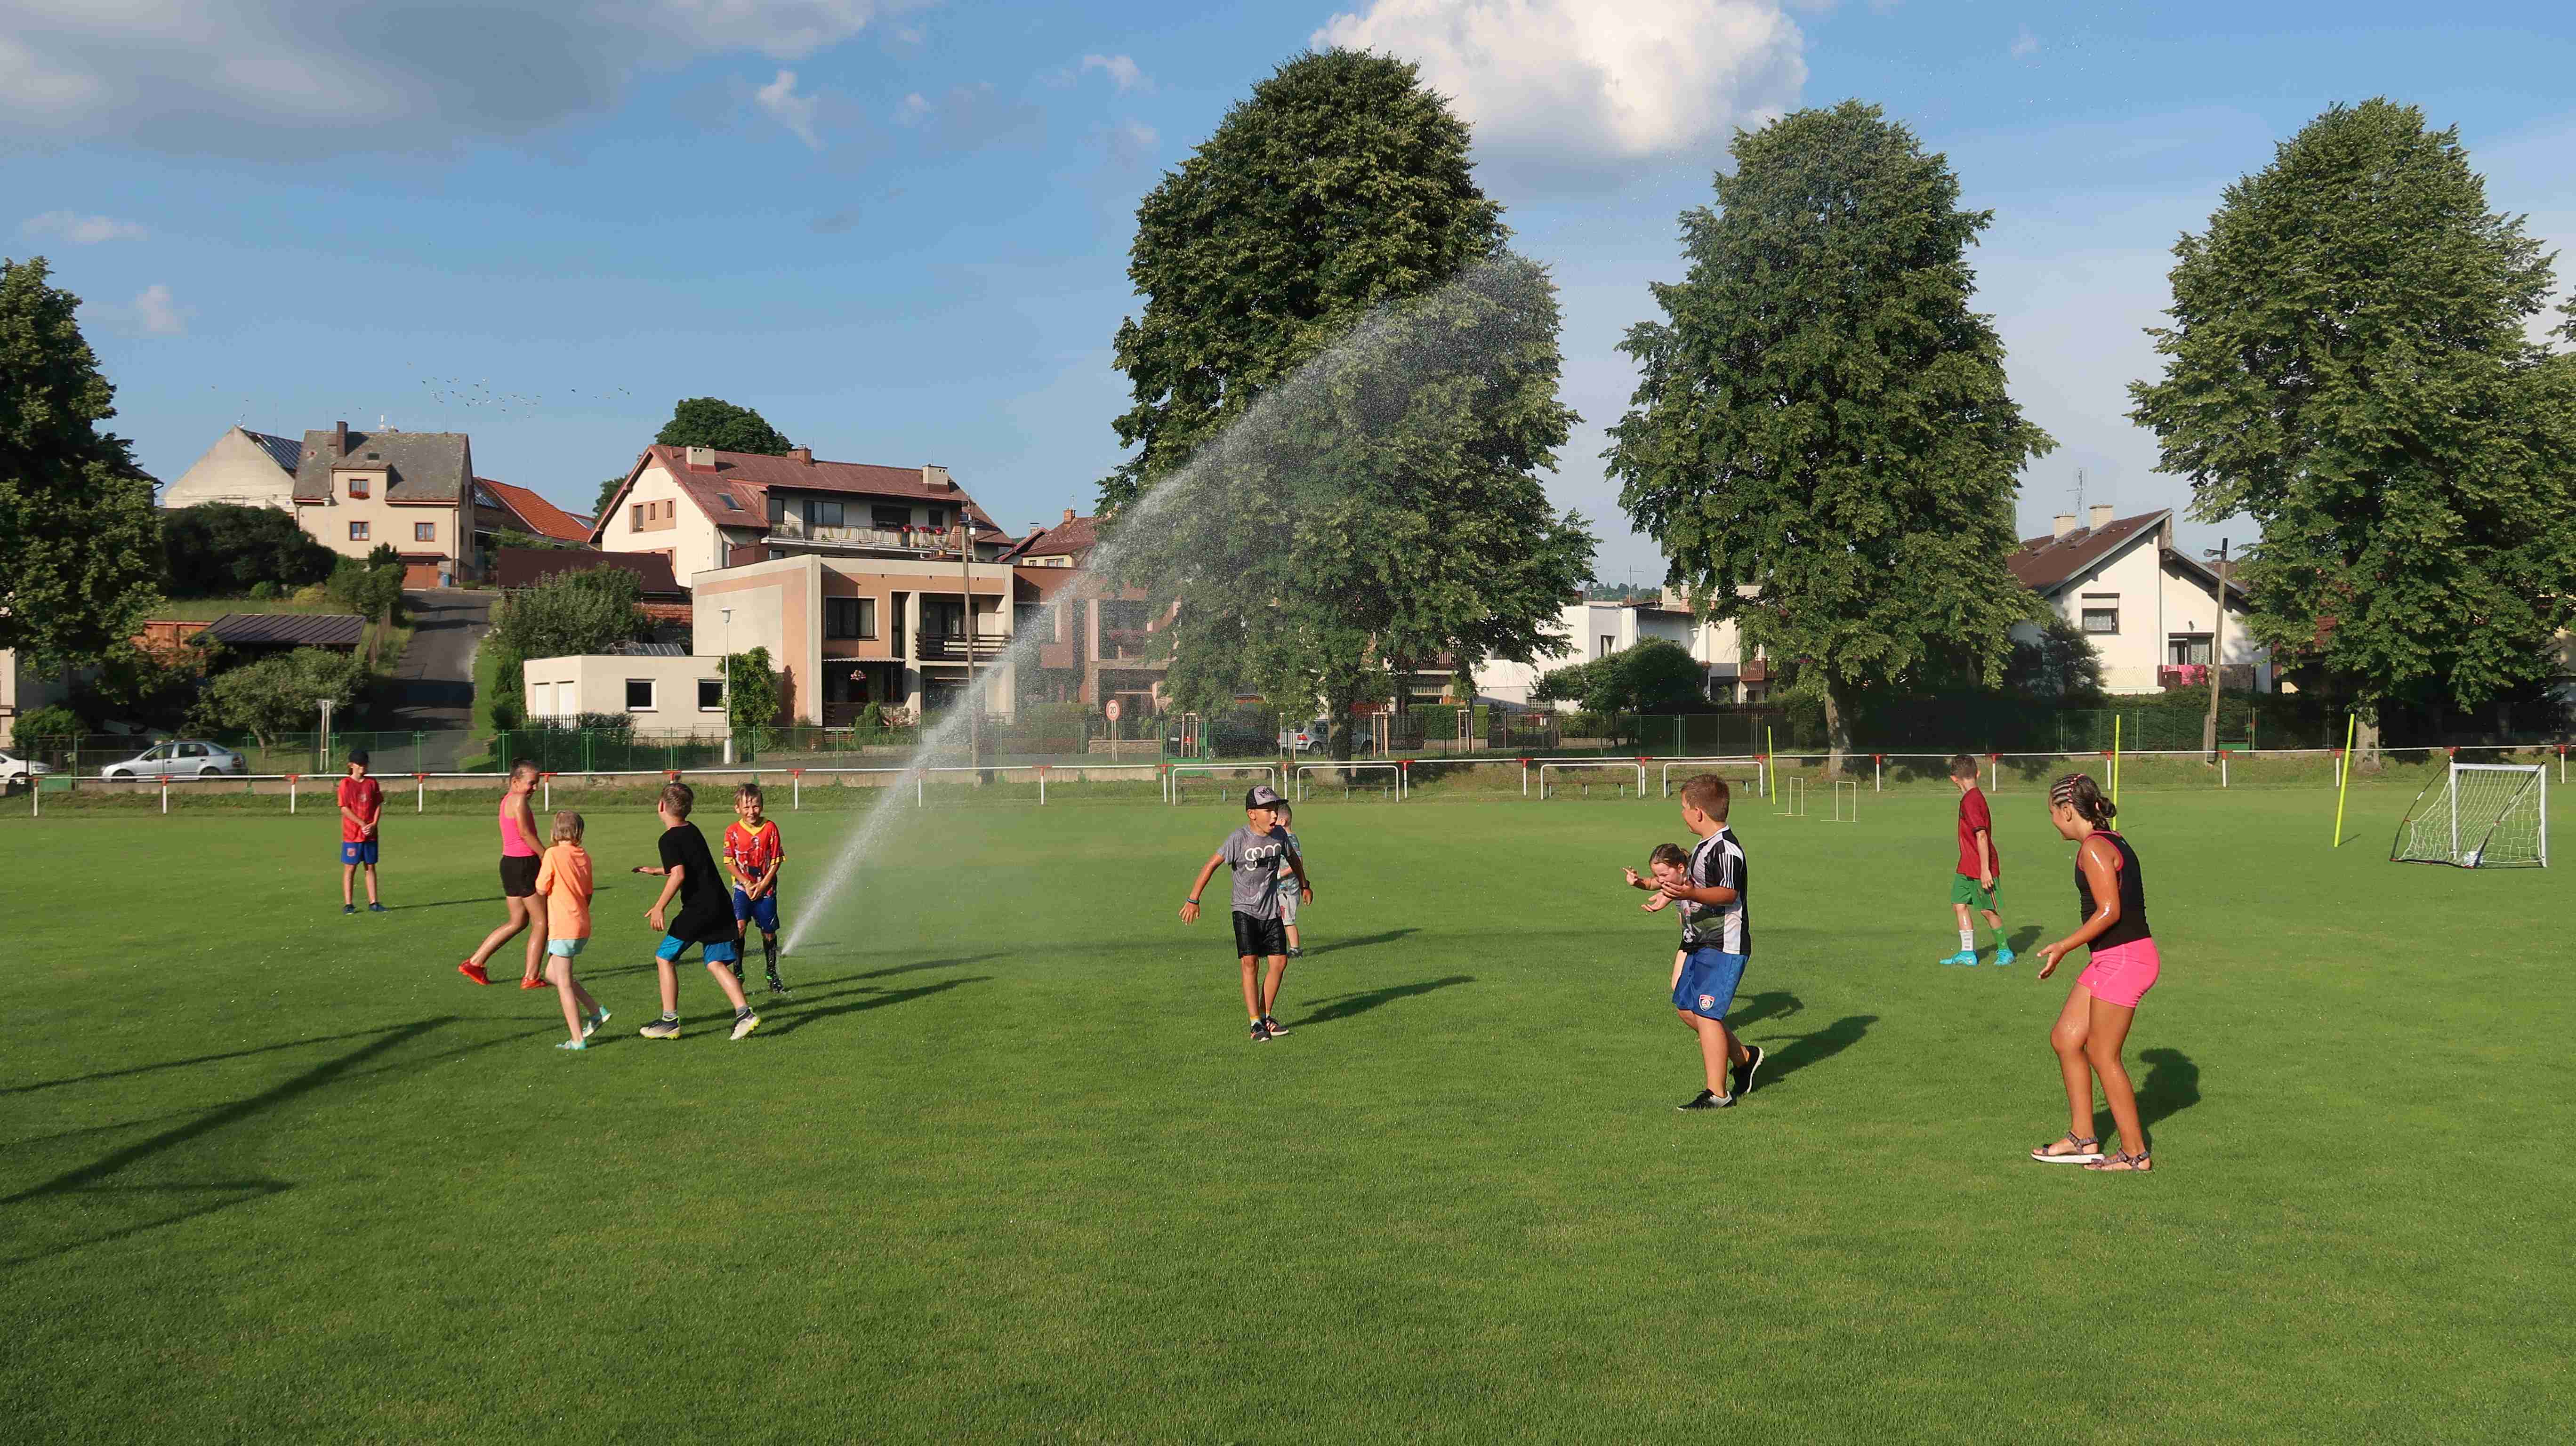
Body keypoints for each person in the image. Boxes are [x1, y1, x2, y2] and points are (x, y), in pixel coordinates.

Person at [2029, 772, 2158, 1173]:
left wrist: (2063, 947)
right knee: (2066, 1038)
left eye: (2053, 813)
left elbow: (2110, 911)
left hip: (2125, 959)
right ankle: (2083, 1138)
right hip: (2111, 959)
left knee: (2103, 1054)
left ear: (2068, 811)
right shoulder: (2109, 839)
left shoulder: (2095, 848)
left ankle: (2136, 1155)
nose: (2053, 821)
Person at [1641, 774, 1763, 1110]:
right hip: (1699, 942)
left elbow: (1728, 893)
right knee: (1686, 1008)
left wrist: (1691, 893)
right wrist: (1667, 894)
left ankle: (1717, 1094)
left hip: (1724, 944)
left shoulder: (1726, 849)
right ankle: (1744, 1058)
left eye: (1683, 807)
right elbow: (1688, 885)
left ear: (1698, 812)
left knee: (1707, 1014)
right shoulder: (1702, 848)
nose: (1682, 814)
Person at [1178, 784, 1314, 1043]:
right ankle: (1255, 1023)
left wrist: (1304, 885)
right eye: (1268, 810)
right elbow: (1212, 864)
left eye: (1275, 810)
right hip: (1244, 910)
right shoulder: (1239, 839)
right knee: (1250, 963)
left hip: (1271, 909)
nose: (1274, 815)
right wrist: (1193, 899)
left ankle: (1266, 1016)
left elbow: (1294, 860)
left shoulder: (1280, 836)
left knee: (1280, 963)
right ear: (1252, 814)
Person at [631, 782, 761, 1041]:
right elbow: (688, 866)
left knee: (664, 957)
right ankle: (745, 1014)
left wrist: (659, 907)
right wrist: (657, 871)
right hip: (720, 905)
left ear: (661, 806)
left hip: (699, 909)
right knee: (715, 963)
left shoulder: (668, 839)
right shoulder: (692, 830)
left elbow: (679, 874)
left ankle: (669, 1021)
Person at [458, 760, 549, 988]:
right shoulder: (518, 800)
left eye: (537, 783)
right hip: (524, 864)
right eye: (531, 783)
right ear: (515, 782)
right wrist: (546, 856)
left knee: (518, 921)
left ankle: (475, 963)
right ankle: (531, 977)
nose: (535, 788)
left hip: (509, 864)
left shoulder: (507, 800)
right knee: (542, 922)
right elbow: (525, 834)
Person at [533, 811, 610, 1051]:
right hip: (581, 923)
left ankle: (578, 1039)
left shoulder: (552, 854)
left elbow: (541, 888)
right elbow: (588, 893)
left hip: (563, 926)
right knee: (552, 974)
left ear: (555, 831)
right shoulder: (583, 856)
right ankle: (597, 1011)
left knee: (564, 984)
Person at [1937, 753, 2012, 967]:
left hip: (1981, 866)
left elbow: (1981, 835)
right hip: (1966, 865)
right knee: (1959, 904)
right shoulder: (1972, 798)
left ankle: (2005, 952)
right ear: (1978, 773)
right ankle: (1968, 953)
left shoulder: (1972, 801)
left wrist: (1985, 870)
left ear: (1954, 779)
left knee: (1987, 910)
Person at [723, 783, 791, 996]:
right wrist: (746, 883)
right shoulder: (732, 831)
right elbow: (729, 862)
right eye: (747, 807)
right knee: (739, 927)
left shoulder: (770, 828)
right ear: (738, 808)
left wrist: (763, 884)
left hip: (766, 890)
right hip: (743, 888)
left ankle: (772, 974)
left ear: (762, 806)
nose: (752, 811)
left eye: (756, 806)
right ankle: (738, 972)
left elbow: (777, 860)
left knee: (768, 932)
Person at [1622, 841, 1693, 990]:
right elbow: (1650, 884)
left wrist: (1668, 896)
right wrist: (1637, 882)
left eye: (1663, 875)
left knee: (1697, 988)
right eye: (1657, 875)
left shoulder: (1695, 880)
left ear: (1681, 869)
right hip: (1689, 939)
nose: (1660, 880)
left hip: (1710, 940)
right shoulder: (1669, 879)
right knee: (1678, 986)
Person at [337, 750, 386, 915]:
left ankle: (374, 903)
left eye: (365, 764)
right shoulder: (345, 784)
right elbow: (344, 808)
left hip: (370, 835)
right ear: (351, 765)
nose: (362, 767)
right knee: (350, 868)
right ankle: (349, 904)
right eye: (359, 764)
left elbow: (378, 805)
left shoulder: (372, 783)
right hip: (352, 835)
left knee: (370, 866)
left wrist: (374, 824)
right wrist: (362, 823)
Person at [1273, 801, 1307, 958]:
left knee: (1288, 920)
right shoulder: (1283, 838)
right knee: (1280, 919)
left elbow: (1298, 862)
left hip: (1289, 889)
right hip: (1281, 888)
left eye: (1275, 820)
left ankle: (1295, 949)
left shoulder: (1290, 839)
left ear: (1283, 822)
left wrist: (1280, 874)